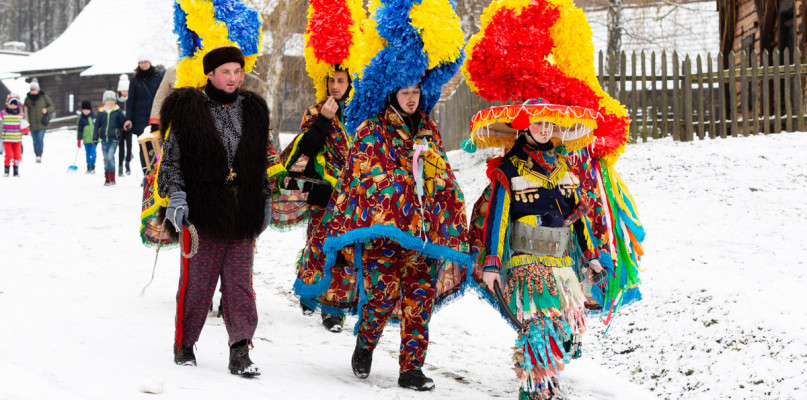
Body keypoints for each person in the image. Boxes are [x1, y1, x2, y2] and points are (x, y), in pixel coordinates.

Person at [157, 45, 284, 376]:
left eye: (237, 71)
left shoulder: (255, 110)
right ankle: (185, 343)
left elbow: (264, 162)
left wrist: (266, 200)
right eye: (225, 71)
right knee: (198, 285)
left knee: (240, 285)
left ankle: (240, 350)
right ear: (210, 74)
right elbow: (170, 161)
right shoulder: (188, 109)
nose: (232, 77)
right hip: (202, 214)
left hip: (243, 212)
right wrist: (177, 198)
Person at [285, 67, 354, 333]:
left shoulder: (361, 114)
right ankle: (309, 292)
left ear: (350, 83)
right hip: (323, 191)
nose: (335, 86)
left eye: (341, 81)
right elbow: (306, 149)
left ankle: (333, 310)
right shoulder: (314, 112)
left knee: (344, 253)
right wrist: (324, 120)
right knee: (318, 244)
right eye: (331, 80)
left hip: (352, 194)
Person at [124, 53, 164, 175]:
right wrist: (128, 118)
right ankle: (147, 174)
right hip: (139, 118)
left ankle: (158, 174)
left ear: (150, 63)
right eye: (141, 62)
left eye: (145, 62)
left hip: (155, 117)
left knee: (157, 145)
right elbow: (130, 100)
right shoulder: (135, 81)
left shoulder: (158, 77)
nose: (143, 64)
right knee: (144, 147)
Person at [93, 90, 125, 186]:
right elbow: (96, 126)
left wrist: (124, 127)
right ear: (104, 101)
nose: (110, 102)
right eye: (108, 100)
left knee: (110, 157)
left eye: (112, 100)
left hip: (114, 139)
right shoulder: (101, 113)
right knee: (106, 158)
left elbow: (122, 123)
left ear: (115, 101)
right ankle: (107, 178)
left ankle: (112, 178)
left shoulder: (118, 112)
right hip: (104, 139)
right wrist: (95, 138)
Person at [23, 78, 54, 163]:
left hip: (42, 123)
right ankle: (36, 154)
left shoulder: (44, 97)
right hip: (32, 124)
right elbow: (24, 110)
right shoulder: (27, 99)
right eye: (31, 90)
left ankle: (39, 154)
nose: (33, 91)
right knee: (35, 140)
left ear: (38, 90)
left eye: (34, 90)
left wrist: (46, 110)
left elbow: (52, 107)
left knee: (40, 138)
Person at [1, 94, 27, 177]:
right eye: (11, 104)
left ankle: (16, 170)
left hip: (17, 139)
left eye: (14, 104)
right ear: (8, 104)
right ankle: (6, 169)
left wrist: (25, 129)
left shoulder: (21, 115)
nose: (13, 106)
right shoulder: (3, 114)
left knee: (17, 155)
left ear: (17, 105)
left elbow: (24, 124)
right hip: (7, 138)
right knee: (8, 155)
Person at [116, 74, 132, 176]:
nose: (125, 93)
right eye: (123, 91)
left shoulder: (130, 100)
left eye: (126, 90)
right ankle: (120, 166)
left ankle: (127, 163)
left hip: (129, 128)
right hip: (119, 128)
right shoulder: (117, 101)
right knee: (121, 148)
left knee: (129, 147)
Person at [77, 101, 97, 174]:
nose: (85, 111)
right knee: (88, 153)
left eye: (87, 110)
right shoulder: (81, 119)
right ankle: (88, 166)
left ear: (90, 110)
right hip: (86, 140)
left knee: (93, 152)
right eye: (84, 110)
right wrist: (79, 139)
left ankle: (92, 166)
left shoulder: (94, 117)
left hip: (94, 140)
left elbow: (98, 127)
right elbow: (79, 130)